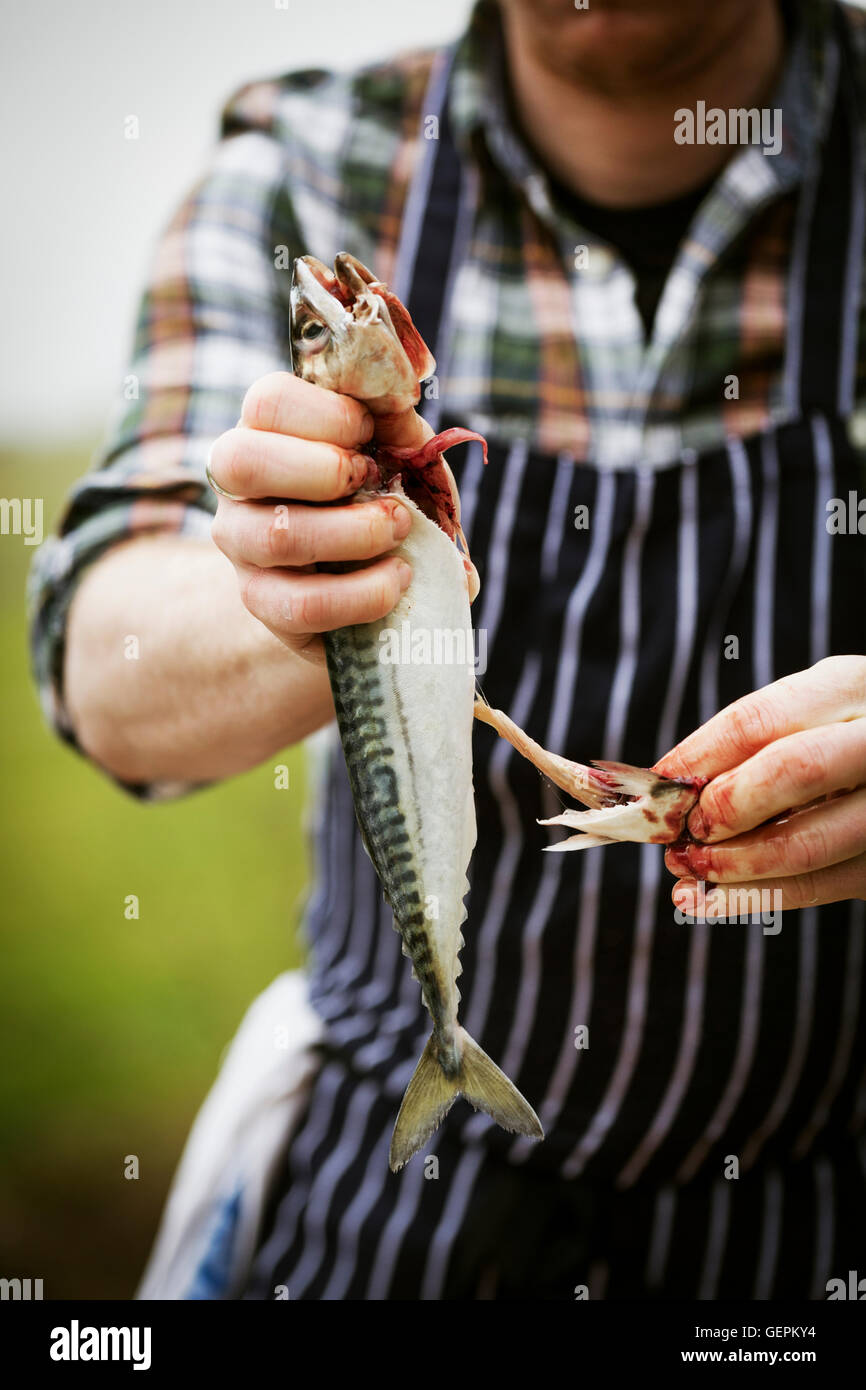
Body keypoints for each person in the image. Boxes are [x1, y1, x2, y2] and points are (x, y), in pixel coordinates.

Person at [30, 0, 866, 1300]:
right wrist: (284, 590)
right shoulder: (305, 153)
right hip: (380, 1213)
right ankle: (449, 1038)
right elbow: (105, 671)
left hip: (817, 1223)